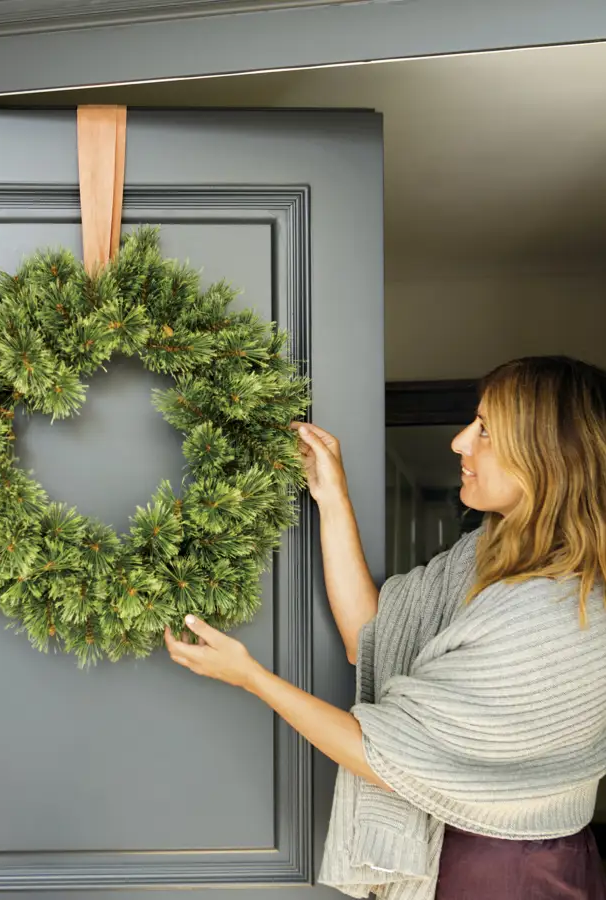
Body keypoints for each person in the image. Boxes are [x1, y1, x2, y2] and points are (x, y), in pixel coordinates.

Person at [165, 355, 606, 900]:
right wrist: (332, 498)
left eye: (486, 430)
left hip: (510, 871)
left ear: (548, 459)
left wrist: (250, 677)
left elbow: (383, 754)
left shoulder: (564, 616)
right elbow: (370, 636)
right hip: (456, 852)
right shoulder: (485, 554)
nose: (460, 442)